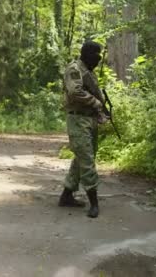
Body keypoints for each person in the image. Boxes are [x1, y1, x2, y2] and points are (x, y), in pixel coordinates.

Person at [58, 40, 106, 218]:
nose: (99, 59)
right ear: (86, 54)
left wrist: (100, 111)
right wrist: (96, 103)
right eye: (96, 55)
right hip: (78, 119)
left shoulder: (88, 72)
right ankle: (94, 203)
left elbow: (94, 94)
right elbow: (75, 92)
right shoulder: (74, 69)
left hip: (89, 119)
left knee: (81, 158)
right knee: (87, 160)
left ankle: (67, 195)